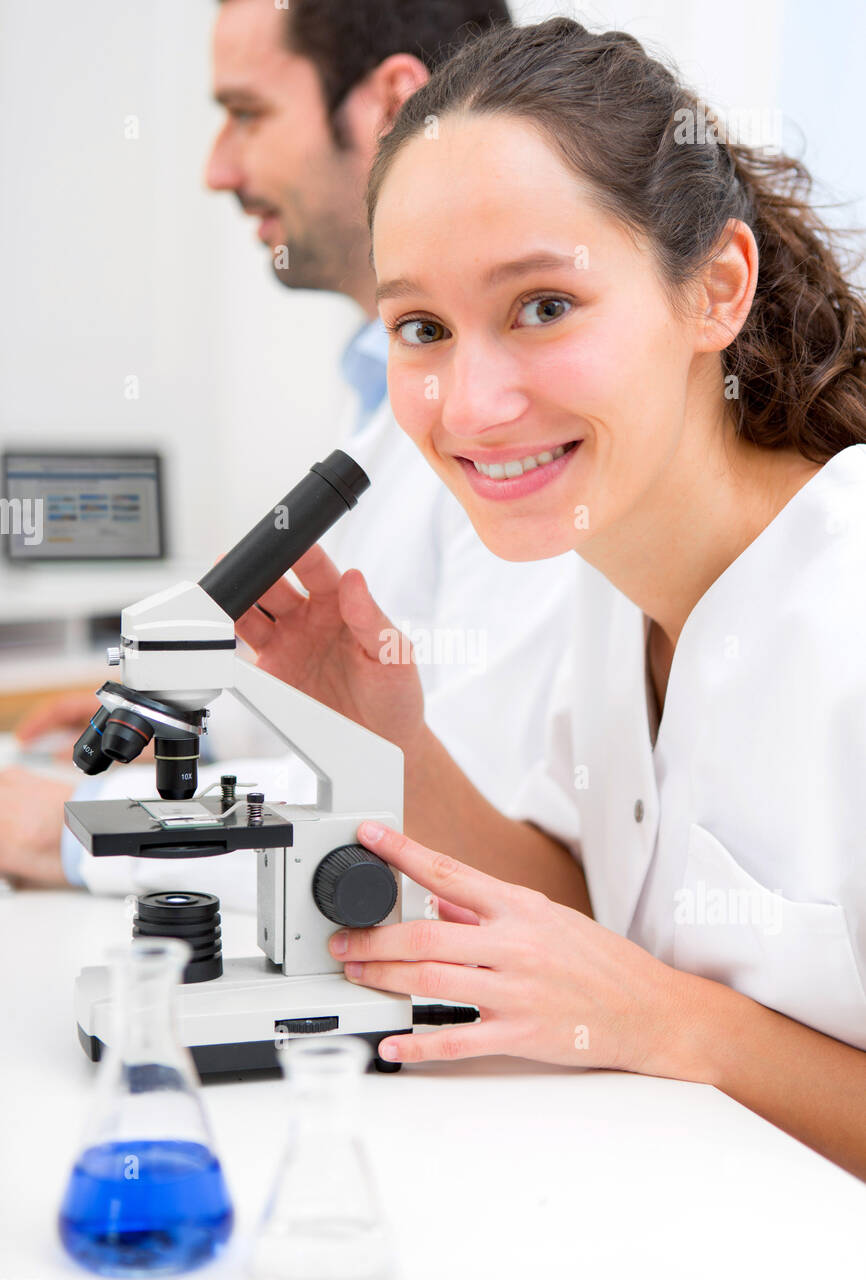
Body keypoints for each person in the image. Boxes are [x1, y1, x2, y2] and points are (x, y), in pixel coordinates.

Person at [231, 17, 866, 1178]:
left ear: (715, 289)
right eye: (420, 327)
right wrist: (393, 740)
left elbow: (645, 987)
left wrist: (675, 1022)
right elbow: (606, 906)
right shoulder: (610, 576)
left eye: (540, 306)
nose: (468, 407)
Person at [0, 0, 579, 914]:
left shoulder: (521, 438)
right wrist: (210, 732)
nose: (216, 168)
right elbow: (380, 714)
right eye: (422, 330)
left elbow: (462, 826)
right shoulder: (378, 404)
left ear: (391, 104)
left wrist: (60, 824)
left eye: (249, 112)